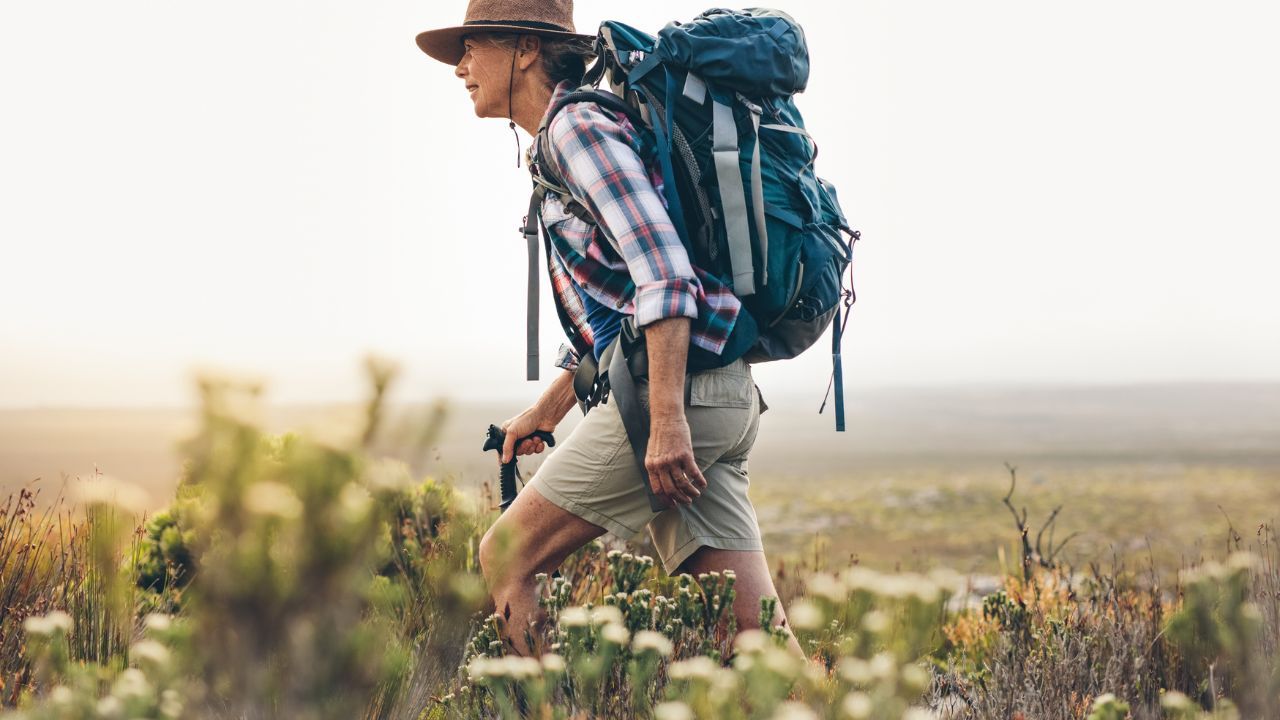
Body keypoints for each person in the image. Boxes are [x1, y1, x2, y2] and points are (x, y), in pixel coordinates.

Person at [415, 0, 800, 657]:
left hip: (681, 400)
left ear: (526, 50)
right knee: (756, 641)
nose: (460, 68)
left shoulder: (576, 131)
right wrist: (544, 411)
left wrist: (667, 418)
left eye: (472, 46)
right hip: (718, 393)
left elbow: (666, 276)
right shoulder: (567, 138)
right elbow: (616, 315)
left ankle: (565, 703)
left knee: (506, 553)